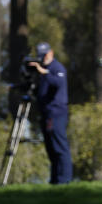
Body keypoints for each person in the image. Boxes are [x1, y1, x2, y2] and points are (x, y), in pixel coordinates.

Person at [27, 42, 72, 184]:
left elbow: (57, 82)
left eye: (45, 55)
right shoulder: (44, 69)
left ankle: (64, 180)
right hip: (46, 114)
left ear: (51, 53)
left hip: (57, 113)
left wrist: (44, 72)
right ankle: (54, 180)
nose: (43, 58)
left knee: (60, 147)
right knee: (51, 148)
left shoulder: (57, 68)